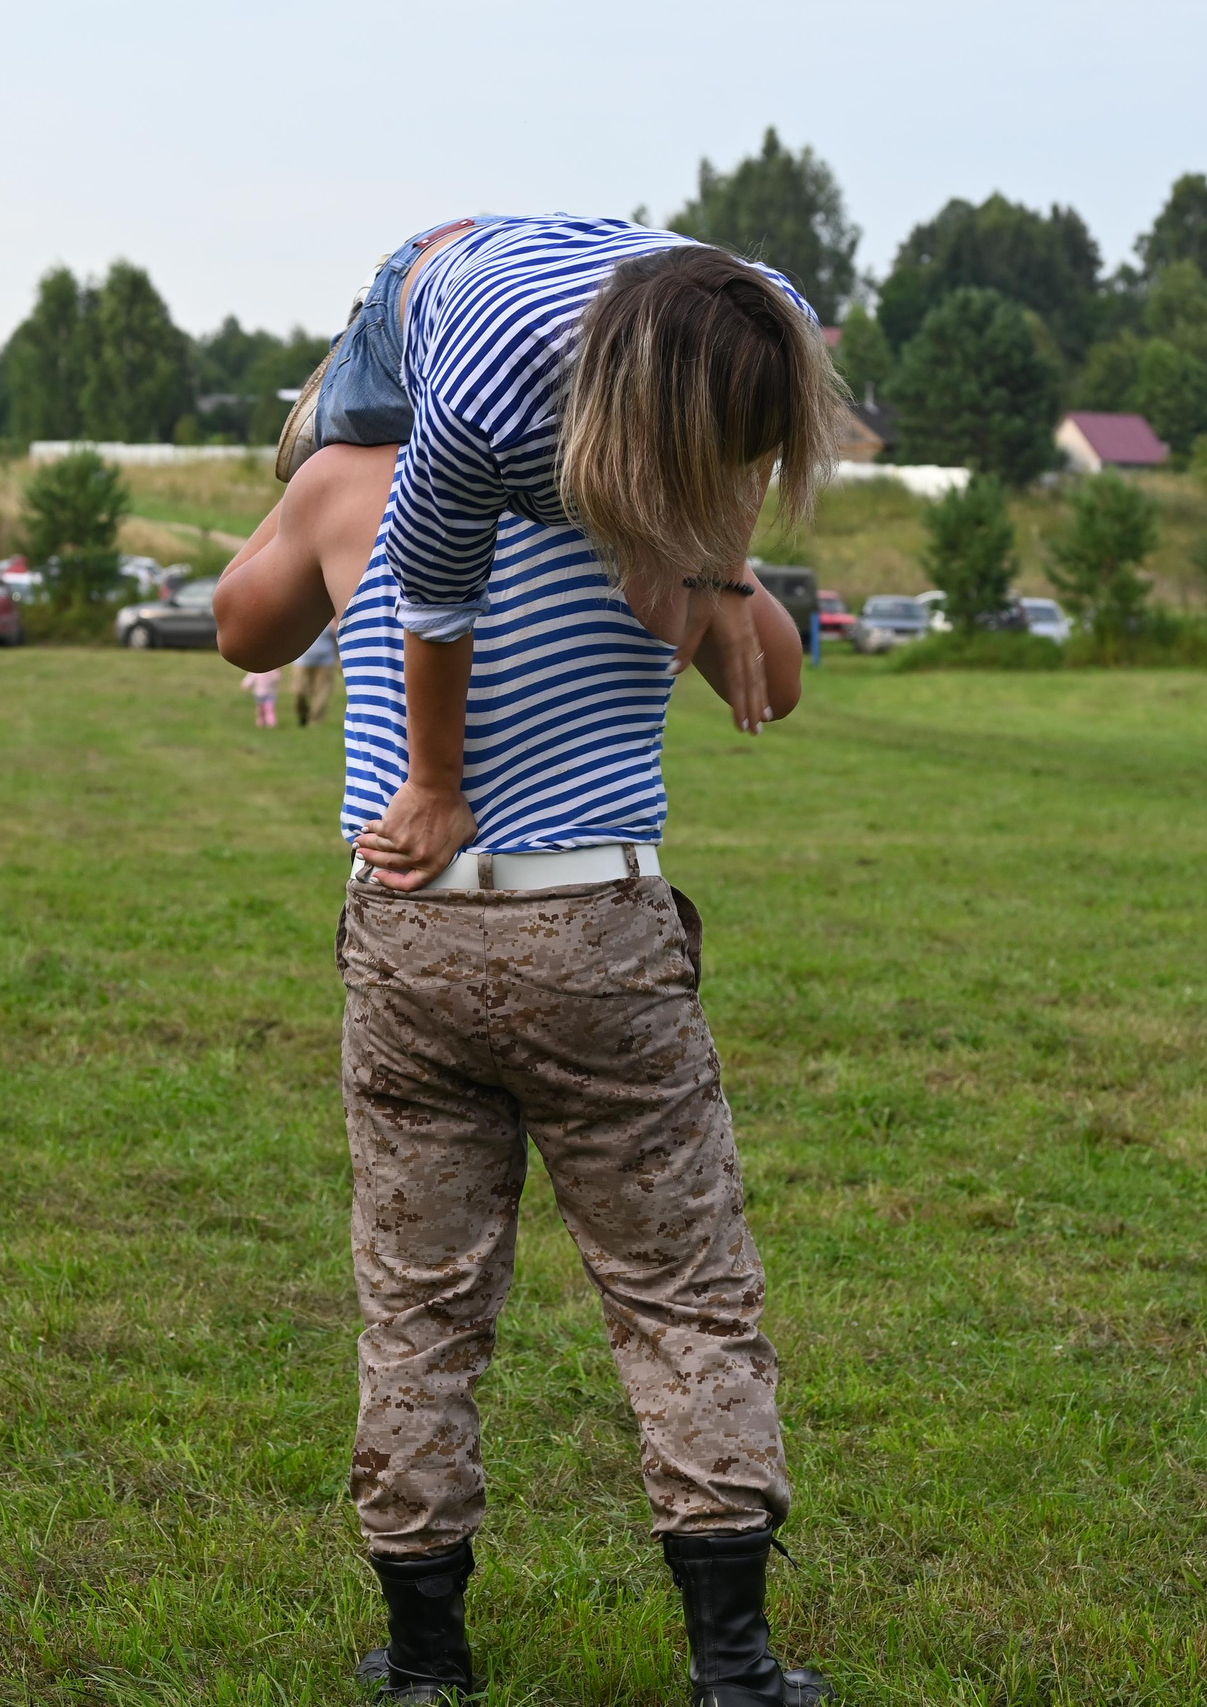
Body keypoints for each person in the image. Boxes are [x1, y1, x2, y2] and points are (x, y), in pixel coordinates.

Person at [216, 445, 829, 1707]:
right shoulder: (650, 491)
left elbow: (242, 631)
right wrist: (718, 540)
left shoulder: (353, 480)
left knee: (418, 1305)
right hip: (596, 919)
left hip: (410, 923)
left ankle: (426, 1662)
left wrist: (317, 482)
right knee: (684, 1296)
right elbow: (773, 684)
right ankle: (733, 1666)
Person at [274, 217, 843, 897]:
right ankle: (329, 406)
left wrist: (721, 568)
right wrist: (433, 785)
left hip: (605, 290)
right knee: (359, 457)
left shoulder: (776, 327)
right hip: (418, 306)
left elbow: (747, 454)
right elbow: (436, 602)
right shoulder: (479, 406)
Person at [294, 618, 339, 726]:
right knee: (300, 690)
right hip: (303, 660)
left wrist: (339, 658)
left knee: (322, 691)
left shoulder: (330, 620)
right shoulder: (301, 618)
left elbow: (338, 637)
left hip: (326, 661)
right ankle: (303, 713)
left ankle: (315, 721)